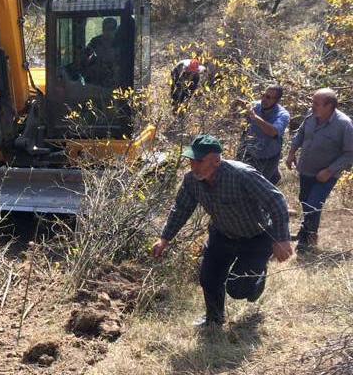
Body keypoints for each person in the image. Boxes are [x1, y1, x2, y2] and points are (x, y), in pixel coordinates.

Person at [151, 134, 292, 327]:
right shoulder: (191, 180)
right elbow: (182, 208)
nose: (194, 165)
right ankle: (214, 318)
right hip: (222, 234)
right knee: (209, 278)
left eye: (199, 160)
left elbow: (276, 200)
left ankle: (257, 279)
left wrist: (281, 238)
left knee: (238, 288)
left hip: (256, 237)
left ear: (216, 160)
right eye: (191, 159)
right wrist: (164, 238)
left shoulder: (242, 174)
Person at [285, 88, 353, 253]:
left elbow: (350, 153)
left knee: (313, 204)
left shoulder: (344, 124)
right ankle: (306, 232)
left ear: (329, 106)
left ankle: (307, 239)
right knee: (304, 200)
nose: (312, 105)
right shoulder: (311, 114)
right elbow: (301, 133)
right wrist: (292, 152)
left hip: (326, 174)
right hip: (306, 169)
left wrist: (330, 170)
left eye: (316, 103)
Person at [234, 84, 290, 185]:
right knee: (241, 180)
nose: (264, 99)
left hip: (268, 156)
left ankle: (274, 176)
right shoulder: (255, 105)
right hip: (249, 152)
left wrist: (254, 116)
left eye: (268, 97)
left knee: (261, 185)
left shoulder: (283, 115)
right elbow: (237, 121)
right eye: (263, 95)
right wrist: (234, 107)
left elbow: (273, 132)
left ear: (276, 100)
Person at [79, 17, 118, 86]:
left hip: (114, 80)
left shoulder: (119, 43)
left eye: (111, 29)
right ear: (103, 29)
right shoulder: (95, 41)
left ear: (115, 30)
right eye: (106, 29)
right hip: (97, 80)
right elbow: (84, 59)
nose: (108, 32)